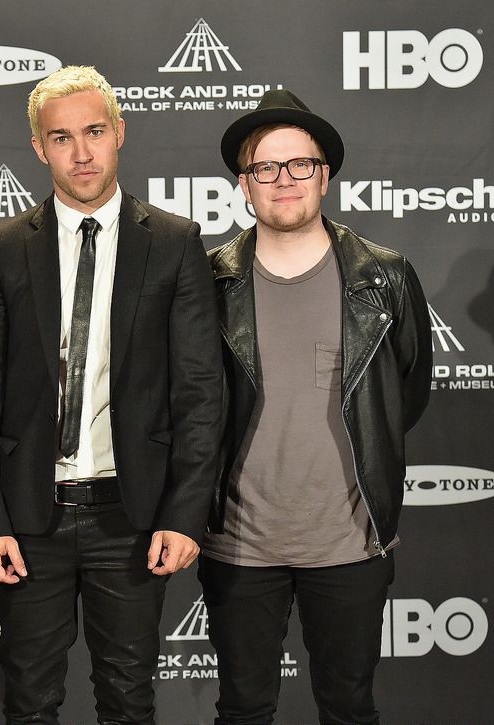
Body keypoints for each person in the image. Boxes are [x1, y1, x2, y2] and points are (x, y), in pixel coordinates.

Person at [0, 65, 222, 724]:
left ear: (119, 133)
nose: (82, 152)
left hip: (130, 516)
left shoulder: (176, 243)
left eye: (94, 131)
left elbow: (199, 390)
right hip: (27, 517)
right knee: (29, 701)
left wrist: (184, 512)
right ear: (40, 147)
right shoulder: (2, 247)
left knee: (128, 700)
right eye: (62, 137)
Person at [200, 89, 432, 725]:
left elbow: (403, 395)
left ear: (324, 175)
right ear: (243, 185)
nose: (282, 180)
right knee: (243, 710)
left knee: (349, 709)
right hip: (238, 546)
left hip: (351, 543)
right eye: (264, 168)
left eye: (298, 164)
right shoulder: (205, 280)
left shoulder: (385, 276)